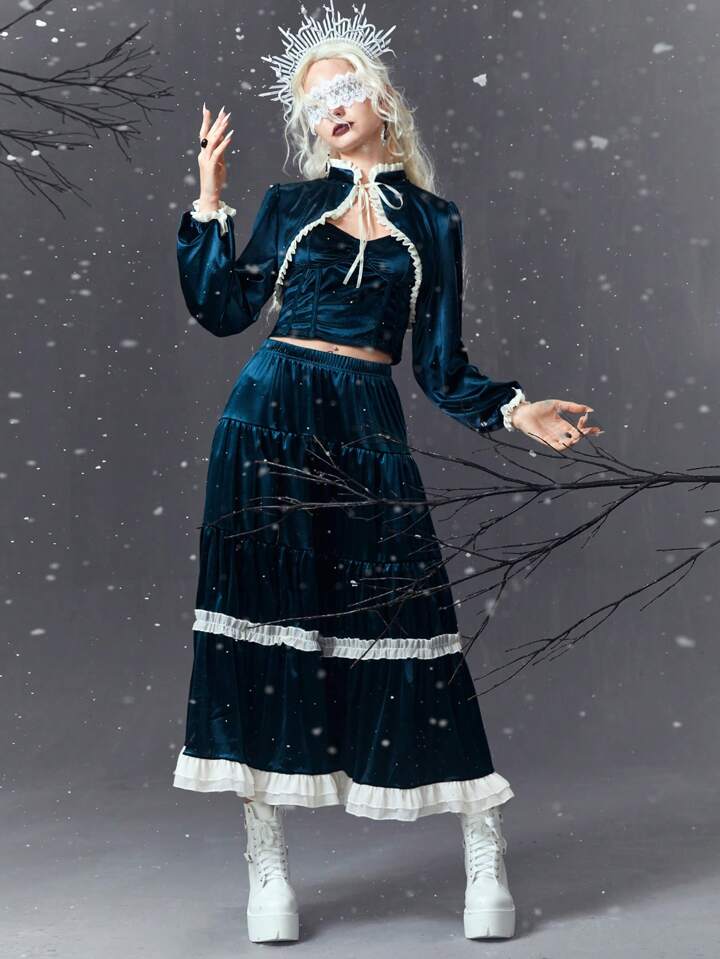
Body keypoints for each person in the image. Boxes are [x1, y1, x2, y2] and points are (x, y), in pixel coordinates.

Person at [172, 1, 601, 944]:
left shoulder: (435, 221)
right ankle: (266, 862)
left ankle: (483, 847)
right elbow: (223, 309)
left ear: (382, 100)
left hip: (365, 429)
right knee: (265, 632)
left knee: (409, 622)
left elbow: (439, 365)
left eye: (345, 89)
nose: (331, 107)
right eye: (313, 100)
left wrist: (517, 408)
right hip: (266, 422)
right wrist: (209, 199)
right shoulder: (288, 206)